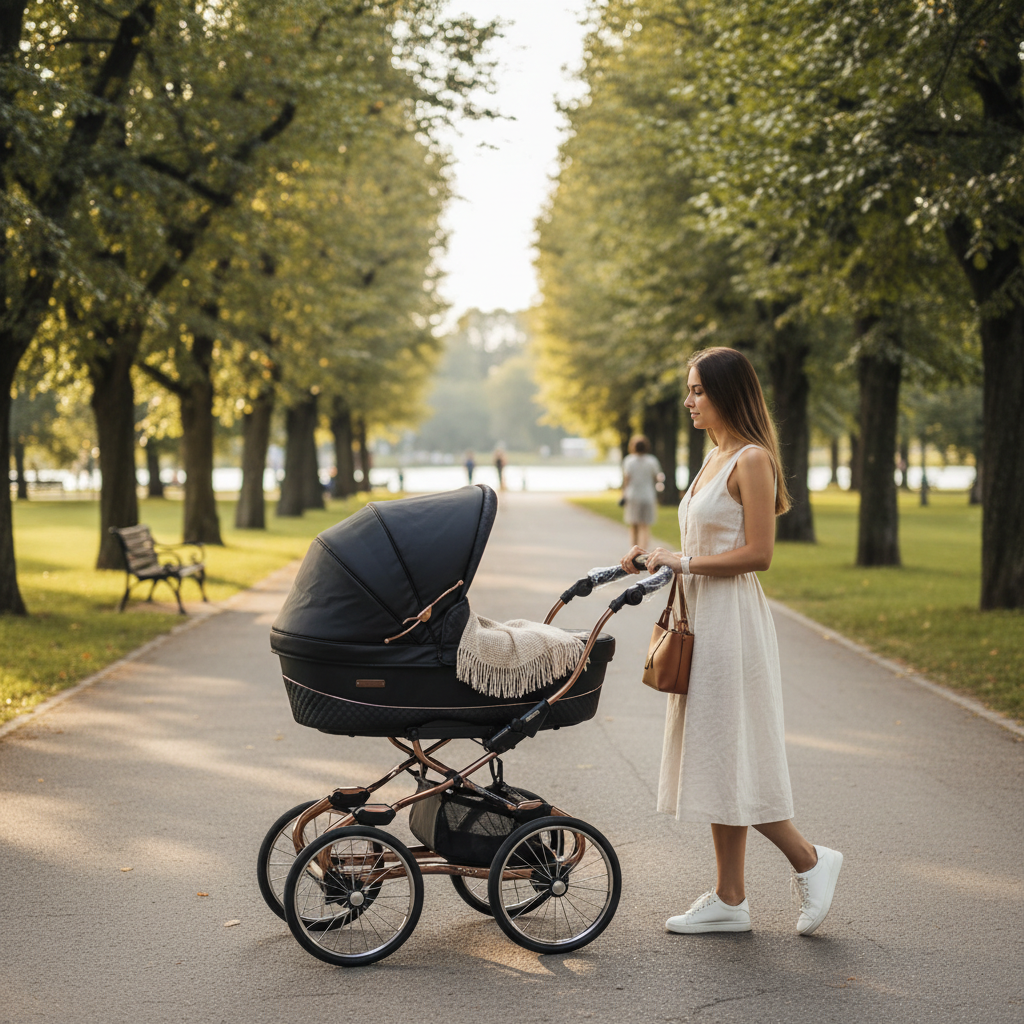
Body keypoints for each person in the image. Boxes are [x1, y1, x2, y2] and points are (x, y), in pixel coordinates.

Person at [620, 347, 843, 937]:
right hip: (701, 617)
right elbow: (702, 540)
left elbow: (759, 555)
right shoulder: (712, 458)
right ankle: (730, 897)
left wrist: (684, 561)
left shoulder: (751, 459)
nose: (688, 400)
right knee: (717, 756)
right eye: (688, 390)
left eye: (697, 390)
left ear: (726, 393)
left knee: (732, 753)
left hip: (732, 622)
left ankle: (812, 861)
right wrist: (655, 557)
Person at [621, 435, 663, 552]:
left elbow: (626, 480)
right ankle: (643, 551)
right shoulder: (652, 461)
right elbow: (658, 477)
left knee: (633, 525)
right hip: (648, 496)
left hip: (633, 495)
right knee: (645, 526)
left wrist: (623, 494)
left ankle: (633, 550)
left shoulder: (629, 461)